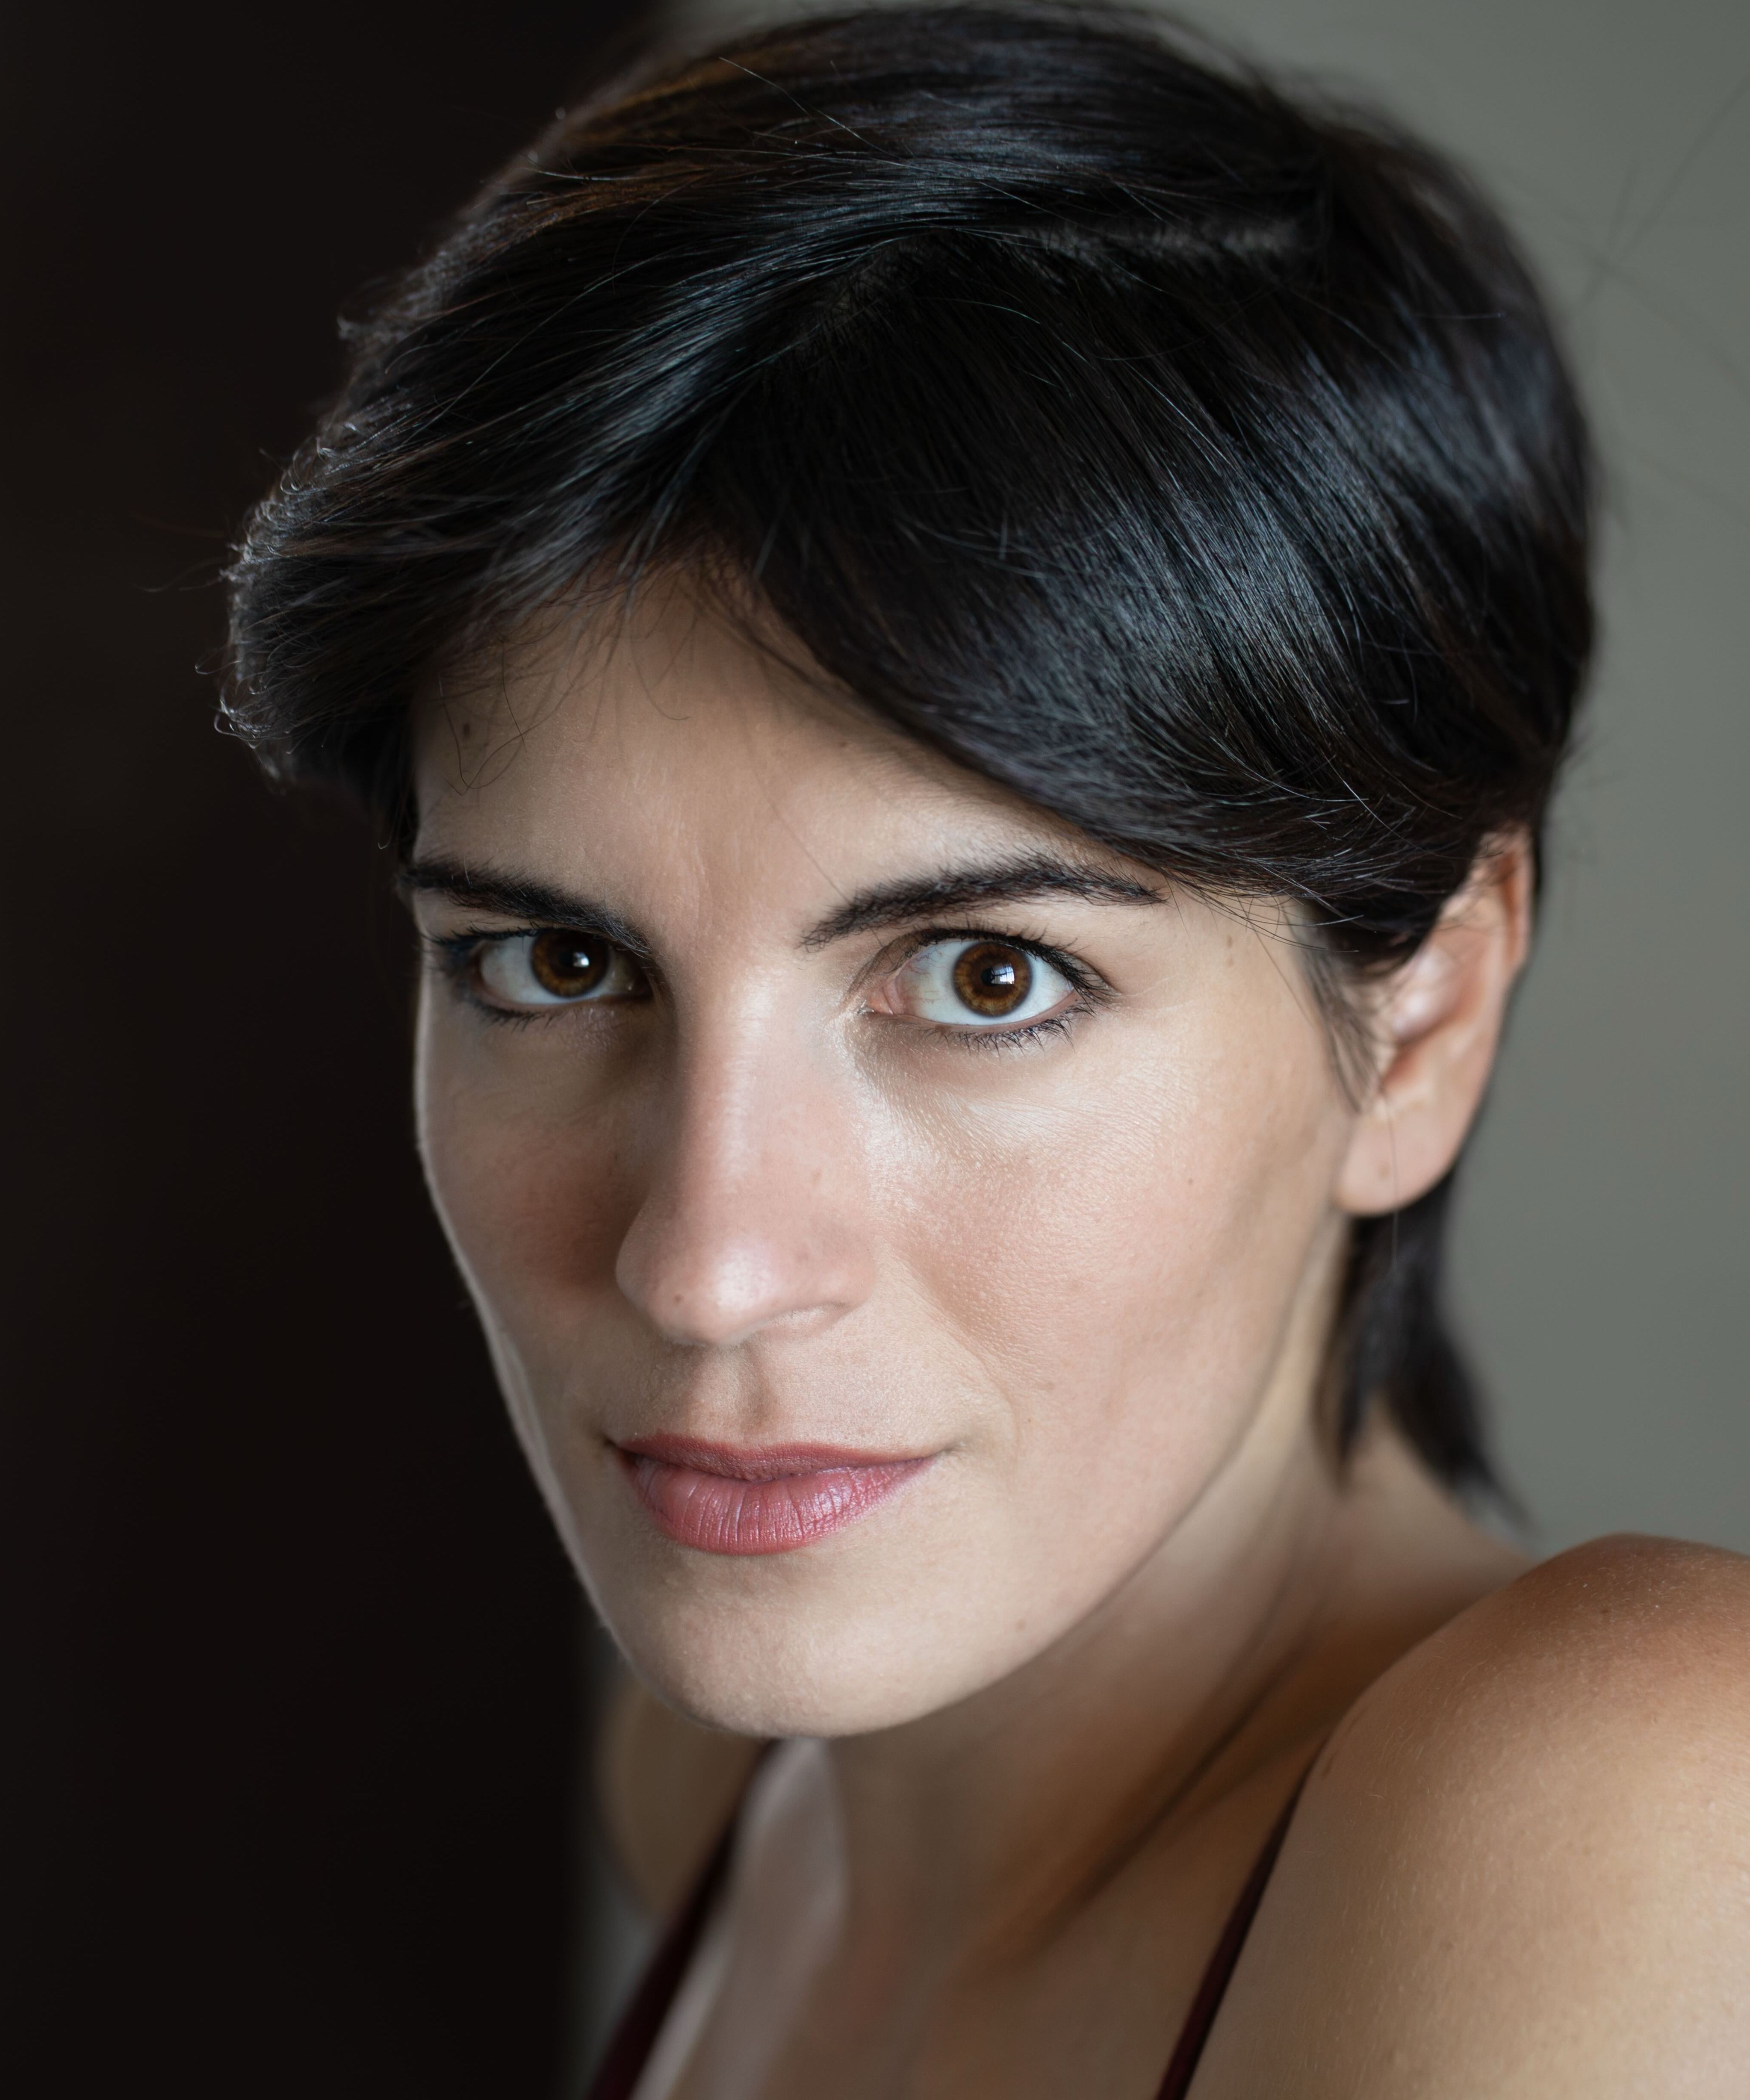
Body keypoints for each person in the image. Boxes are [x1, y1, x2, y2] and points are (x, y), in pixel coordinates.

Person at [224, 7, 1750, 2091]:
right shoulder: (714, 1782)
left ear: (1422, 1016)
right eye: (556, 964)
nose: (706, 1264)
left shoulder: (1649, 1805)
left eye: (982, 980)